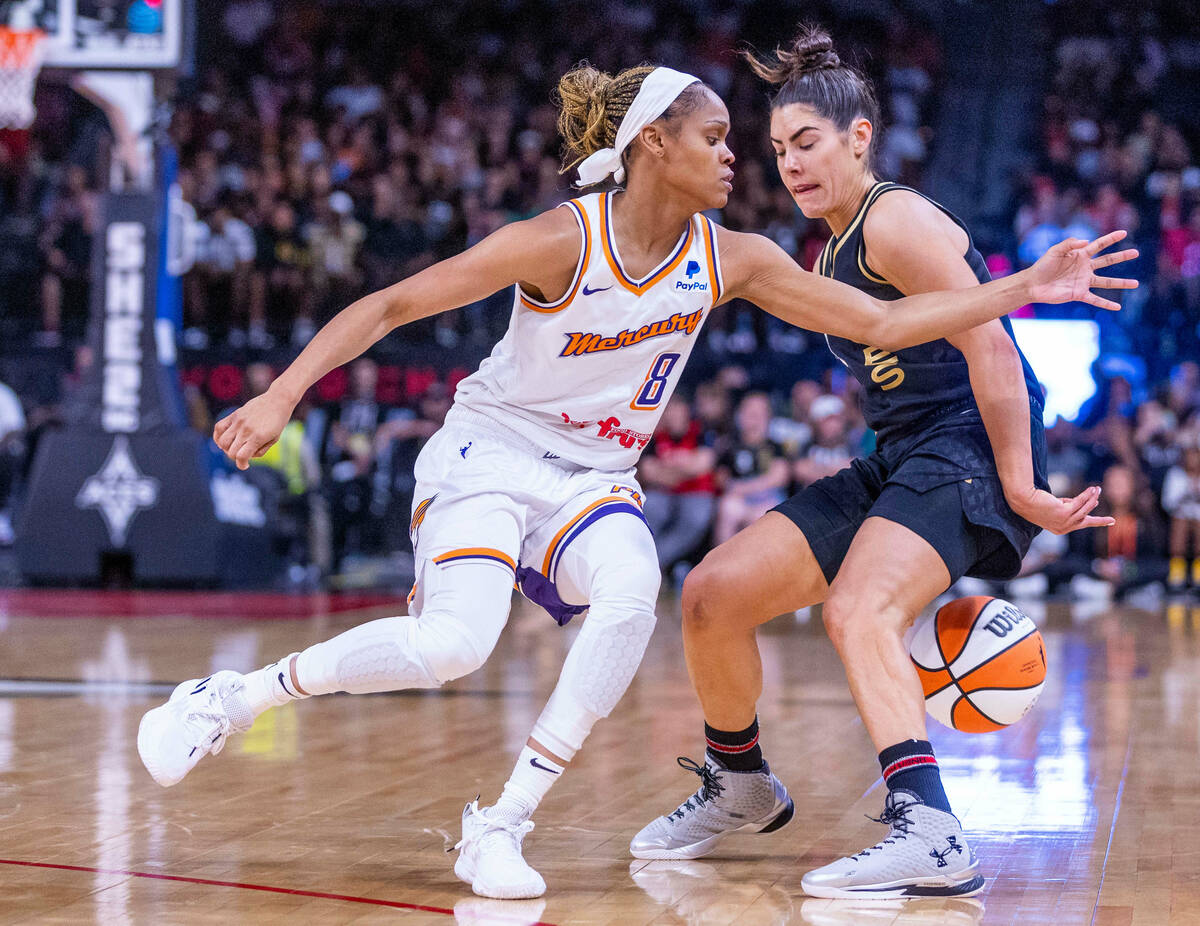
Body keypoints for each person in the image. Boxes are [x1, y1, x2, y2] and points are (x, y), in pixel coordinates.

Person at [137, 61, 1133, 901]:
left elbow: (894, 326)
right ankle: (237, 697)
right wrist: (280, 397)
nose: (748, 158)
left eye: (780, 142)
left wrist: (1020, 289)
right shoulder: (561, 238)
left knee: (643, 596)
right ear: (655, 141)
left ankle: (508, 821)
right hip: (494, 452)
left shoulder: (739, 253)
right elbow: (394, 300)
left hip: (613, 478)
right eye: (723, 136)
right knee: (514, 633)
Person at [631, 27, 1134, 900]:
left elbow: (995, 353)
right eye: (780, 148)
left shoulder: (891, 220)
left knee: (861, 610)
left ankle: (933, 832)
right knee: (713, 595)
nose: (790, 163)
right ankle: (740, 780)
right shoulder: (828, 250)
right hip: (903, 455)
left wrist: (1020, 480)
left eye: (809, 143)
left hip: (969, 442)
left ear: (859, 138)